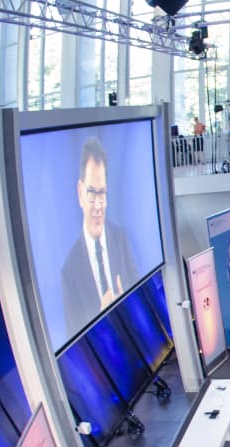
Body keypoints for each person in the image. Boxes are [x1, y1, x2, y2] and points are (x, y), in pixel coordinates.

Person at [61, 137, 137, 336]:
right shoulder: (69, 271)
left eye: (102, 193)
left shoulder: (120, 240)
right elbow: (75, 342)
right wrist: (102, 322)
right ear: (80, 193)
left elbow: (140, 298)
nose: (97, 205)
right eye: (92, 193)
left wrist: (127, 304)